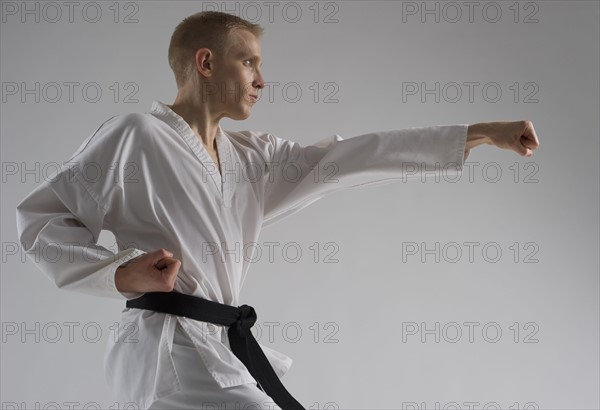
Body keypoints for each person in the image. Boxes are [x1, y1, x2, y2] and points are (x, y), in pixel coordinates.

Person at [15, 10, 540, 410]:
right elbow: (43, 218)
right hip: (167, 350)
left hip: (217, 346)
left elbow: (351, 155)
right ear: (205, 62)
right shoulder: (135, 135)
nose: (261, 80)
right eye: (249, 62)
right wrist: (120, 273)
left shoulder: (251, 158)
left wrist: (477, 134)